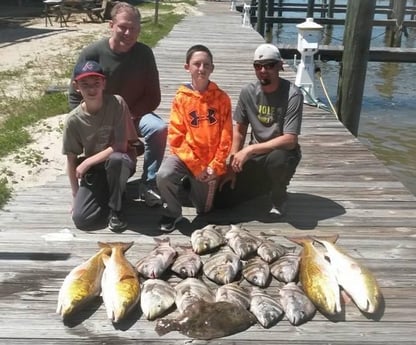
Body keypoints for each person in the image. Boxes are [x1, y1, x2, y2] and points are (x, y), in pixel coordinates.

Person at [68, 1, 167, 207]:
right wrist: (86, 121)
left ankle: (148, 183)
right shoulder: (92, 53)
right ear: (111, 25)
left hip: (134, 114)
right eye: (123, 26)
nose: (128, 33)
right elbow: (74, 95)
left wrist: (128, 116)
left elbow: (153, 97)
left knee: (159, 128)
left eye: (134, 28)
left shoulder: (144, 54)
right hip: (100, 116)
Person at [215, 43, 303, 217]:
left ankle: (279, 197)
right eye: (258, 66)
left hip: (282, 153)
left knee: (278, 160)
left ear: (279, 65)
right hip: (255, 156)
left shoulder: (293, 94)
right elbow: (239, 130)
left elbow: (290, 139)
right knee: (221, 201)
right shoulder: (248, 92)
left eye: (269, 65)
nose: (263, 70)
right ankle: (263, 187)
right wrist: (232, 164)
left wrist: (250, 149)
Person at [156, 44, 233, 232]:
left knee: (204, 210)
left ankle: (189, 185)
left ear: (212, 68)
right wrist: (196, 167)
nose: (201, 69)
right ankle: (173, 212)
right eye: (197, 64)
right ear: (187, 67)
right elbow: (176, 136)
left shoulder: (222, 98)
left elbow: (227, 135)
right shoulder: (181, 98)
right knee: (163, 175)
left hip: (211, 165)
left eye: (206, 65)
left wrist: (215, 166)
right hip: (187, 159)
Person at [63, 60, 138, 232]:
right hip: (96, 171)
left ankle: (116, 210)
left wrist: (88, 162)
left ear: (104, 83)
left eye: (96, 83)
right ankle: (113, 192)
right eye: (85, 84)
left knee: (116, 160)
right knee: (82, 220)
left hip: (121, 161)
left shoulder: (117, 103)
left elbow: (120, 145)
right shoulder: (73, 120)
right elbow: (71, 160)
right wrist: (75, 195)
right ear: (76, 86)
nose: (91, 89)